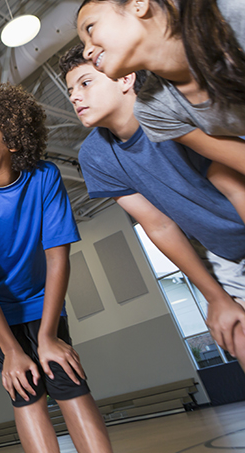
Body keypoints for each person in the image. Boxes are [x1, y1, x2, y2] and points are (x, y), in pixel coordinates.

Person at [0, 83, 114, 453]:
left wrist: (49, 336)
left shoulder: (45, 177)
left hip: (42, 303)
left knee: (68, 380)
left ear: (14, 141)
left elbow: (58, 258)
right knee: (26, 391)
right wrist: (10, 352)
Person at [60, 43, 245, 372]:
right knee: (238, 335)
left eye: (85, 83)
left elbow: (232, 184)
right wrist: (215, 297)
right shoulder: (95, 156)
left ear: (125, 79)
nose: (74, 96)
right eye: (70, 89)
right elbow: (158, 225)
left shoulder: (169, 104)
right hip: (223, 251)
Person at [76, 0, 245, 221]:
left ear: (139, 3)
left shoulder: (234, 10)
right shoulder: (154, 110)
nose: (87, 52)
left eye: (90, 28)